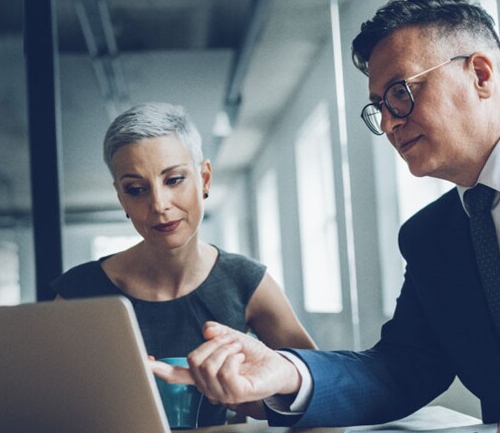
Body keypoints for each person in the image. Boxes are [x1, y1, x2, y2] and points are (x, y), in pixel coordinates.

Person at [151, 0, 500, 432]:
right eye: (378, 107)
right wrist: (286, 373)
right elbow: (403, 367)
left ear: (481, 74)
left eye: (401, 93)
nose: (387, 124)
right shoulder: (431, 235)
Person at [51, 102, 316, 426]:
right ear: (121, 199)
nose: (159, 205)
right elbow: (45, 404)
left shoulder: (246, 281)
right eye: (136, 190)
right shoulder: (80, 290)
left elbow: (317, 397)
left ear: (204, 179)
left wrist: (238, 394)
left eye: (174, 179)